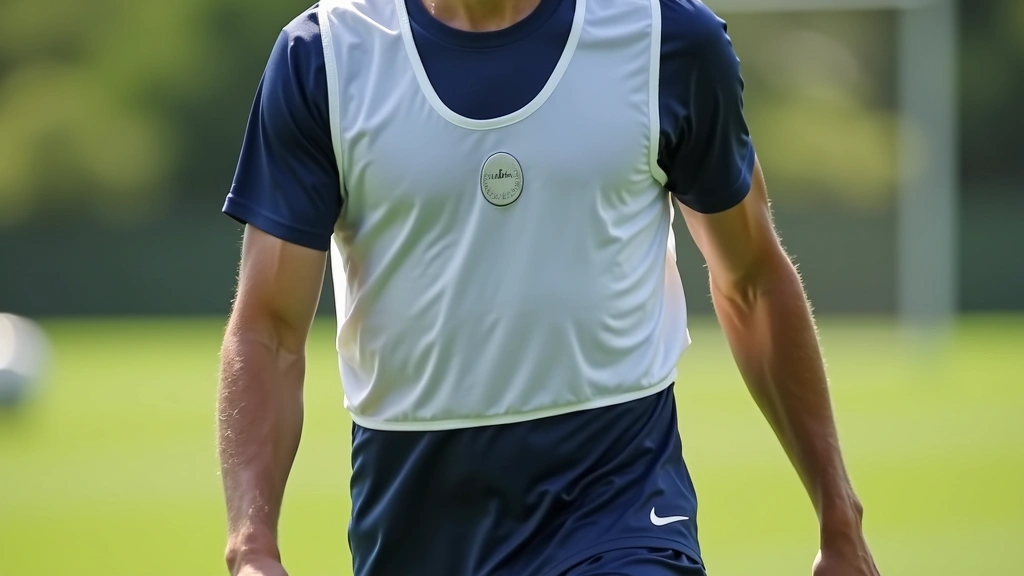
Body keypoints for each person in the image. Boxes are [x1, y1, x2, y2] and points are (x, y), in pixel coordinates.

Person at [216, 0, 881, 574]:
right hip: (415, 517)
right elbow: (269, 330)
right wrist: (252, 546)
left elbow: (753, 282)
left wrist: (837, 512)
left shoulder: (666, 41)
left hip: (620, 501)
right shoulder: (326, 58)